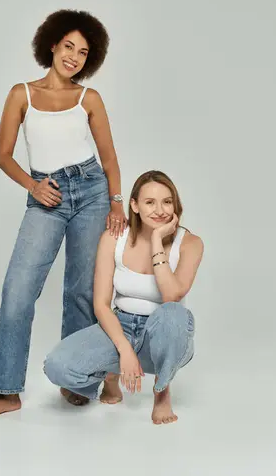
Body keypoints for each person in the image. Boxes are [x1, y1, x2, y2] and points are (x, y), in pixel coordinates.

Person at [0, 9, 128, 420]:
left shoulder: (88, 99)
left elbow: (109, 160)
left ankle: (75, 380)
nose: (74, 56)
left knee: (81, 290)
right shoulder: (21, 94)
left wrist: (116, 202)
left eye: (83, 52)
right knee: (18, 290)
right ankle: (7, 391)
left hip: (92, 192)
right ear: (52, 44)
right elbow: (2, 155)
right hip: (47, 194)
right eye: (68, 46)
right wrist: (33, 186)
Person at [44, 170, 204, 424]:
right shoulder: (113, 238)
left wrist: (155, 240)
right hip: (121, 327)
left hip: (165, 335)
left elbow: (172, 294)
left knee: (172, 312)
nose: (160, 210)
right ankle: (111, 374)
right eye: (150, 202)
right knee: (56, 366)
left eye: (167, 201)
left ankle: (161, 391)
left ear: (176, 205)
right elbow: (101, 304)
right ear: (134, 205)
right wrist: (124, 350)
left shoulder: (190, 243)